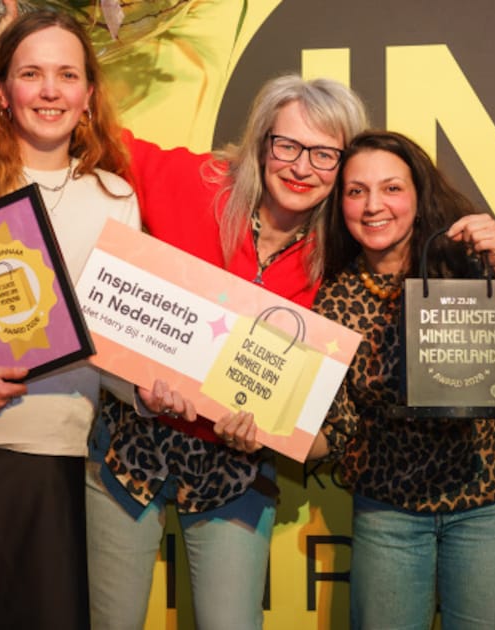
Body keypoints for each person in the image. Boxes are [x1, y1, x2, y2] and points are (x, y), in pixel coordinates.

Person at [0, 10, 192, 629]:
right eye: (31, 73)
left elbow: (109, 335)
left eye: (67, 74)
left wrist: (147, 392)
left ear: (89, 94)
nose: (50, 91)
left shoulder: (115, 198)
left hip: (48, 454)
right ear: (1, 91)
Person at [87, 75, 367, 629]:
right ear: (262, 142)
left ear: (343, 165)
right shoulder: (198, 183)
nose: (300, 167)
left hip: (233, 472)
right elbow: (102, 135)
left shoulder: (341, 252)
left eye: (323, 155)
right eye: (286, 146)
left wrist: (269, 431)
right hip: (127, 450)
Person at [309, 130, 495, 629]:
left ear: (418, 194)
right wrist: (269, 431)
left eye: (391, 188)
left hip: (489, 501)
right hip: (389, 509)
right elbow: (337, 423)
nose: (373, 206)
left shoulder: (473, 256)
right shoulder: (334, 298)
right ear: (339, 204)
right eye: (355, 191)